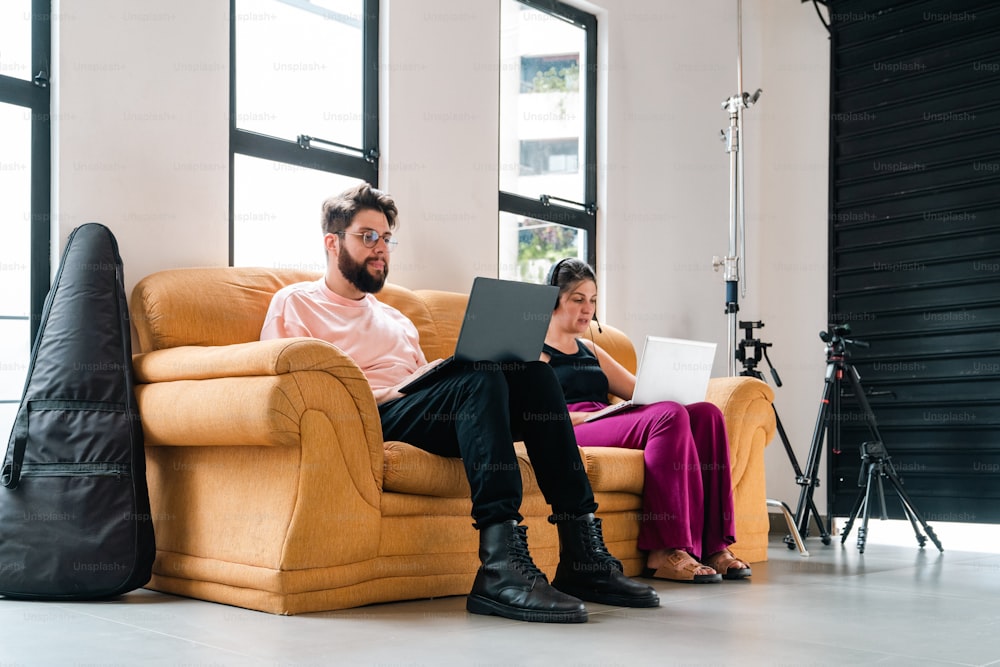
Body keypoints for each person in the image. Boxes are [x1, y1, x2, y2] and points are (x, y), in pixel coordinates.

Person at [260, 183, 658, 623]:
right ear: (332, 242)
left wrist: (435, 375)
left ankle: (583, 558)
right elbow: (284, 383)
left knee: (535, 373)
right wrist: (388, 392)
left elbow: (422, 380)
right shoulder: (295, 302)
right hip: (369, 415)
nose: (381, 249)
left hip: (422, 410)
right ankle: (500, 569)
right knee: (480, 378)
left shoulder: (396, 319)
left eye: (387, 238)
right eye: (367, 236)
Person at [541, 258, 752, 583]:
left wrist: (674, 386)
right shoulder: (536, 350)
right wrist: (593, 414)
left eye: (593, 300)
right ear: (554, 300)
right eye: (578, 299)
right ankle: (664, 550)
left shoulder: (590, 349)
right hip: (572, 426)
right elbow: (537, 412)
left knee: (707, 415)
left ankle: (714, 546)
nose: (588, 309)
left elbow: (639, 390)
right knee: (668, 416)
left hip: (606, 417)